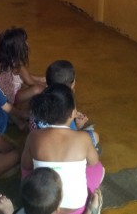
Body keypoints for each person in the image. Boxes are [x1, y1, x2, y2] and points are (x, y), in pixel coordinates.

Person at [21, 84, 104, 214]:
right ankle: (89, 210)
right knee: (99, 168)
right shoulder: (83, 138)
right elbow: (93, 161)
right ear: (72, 114)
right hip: (75, 207)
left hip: (42, 204)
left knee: (27, 172)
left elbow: (26, 166)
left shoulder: (34, 136)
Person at [41, 60, 99, 148]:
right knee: (94, 136)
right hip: (60, 147)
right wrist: (78, 126)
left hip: (41, 141)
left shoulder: (40, 98)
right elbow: (66, 134)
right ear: (73, 84)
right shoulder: (67, 104)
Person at [0, 28, 45, 107]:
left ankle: (41, 79)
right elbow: (31, 83)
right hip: (11, 98)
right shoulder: (18, 66)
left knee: (26, 77)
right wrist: (45, 85)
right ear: (17, 48)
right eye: (25, 42)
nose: (27, 44)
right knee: (38, 88)